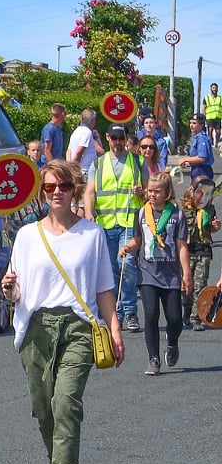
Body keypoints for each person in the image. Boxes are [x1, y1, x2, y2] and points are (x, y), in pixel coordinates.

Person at [2, 158, 124, 464]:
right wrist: (9, 289)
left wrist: (114, 328)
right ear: (42, 192)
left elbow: (104, 287)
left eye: (64, 186)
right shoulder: (26, 236)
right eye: (50, 187)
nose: (57, 193)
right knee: (43, 407)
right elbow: (16, 290)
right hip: (36, 326)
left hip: (79, 326)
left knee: (66, 403)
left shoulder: (92, 235)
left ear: (74, 189)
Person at [127, 171, 191, 375]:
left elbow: (181, 246)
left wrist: (186, 273)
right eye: (150, 191)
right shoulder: (141, 214)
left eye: (157, 191)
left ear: (167, 193)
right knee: (151, 314)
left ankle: (172, 342)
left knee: (174, 319)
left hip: (171, 274)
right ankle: (153, 359)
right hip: (147, 273)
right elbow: (138, 240)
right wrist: (128, 247)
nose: (152, 195)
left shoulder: (177, 215)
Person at [86, 123, 145, 332]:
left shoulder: (137, 161)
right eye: (114, 138)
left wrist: (142, 192)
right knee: (109, 271)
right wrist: (88, 213)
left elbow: (150, 193)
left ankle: (129, 311)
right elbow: (90, 192)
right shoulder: (98, 164)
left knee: (127, 265)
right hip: (105, 224)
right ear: (107, 138)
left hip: (129, 224)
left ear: (125, 139)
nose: (118, 142)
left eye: (121, 138)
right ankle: (114, 313)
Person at [184, 176, 216, 330]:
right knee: (186, 287)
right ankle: (186, 311)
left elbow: (211, 228)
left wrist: (216, 226)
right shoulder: (184, 209)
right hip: (187, 252)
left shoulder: (210, 210)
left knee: (200, 286)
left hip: (203, 251)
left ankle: (196, 318)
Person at [176, 114, 213, 182]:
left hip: (202, 171)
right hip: (197, 169)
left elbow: (202, 158)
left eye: (194, 123)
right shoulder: (197, 137)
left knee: (200, 191)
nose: (191, 125)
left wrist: (185, 159)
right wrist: (189, 162)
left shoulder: (201, 138)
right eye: (190, 123)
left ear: (201, 125)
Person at [66, 108, 101, 179]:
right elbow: (79, 151)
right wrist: (74, 168)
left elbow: (68, 151)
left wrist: (69, 167)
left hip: (79, 171)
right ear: (92, 120)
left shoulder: (76, 131)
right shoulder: (86, 132)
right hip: (86, 172)